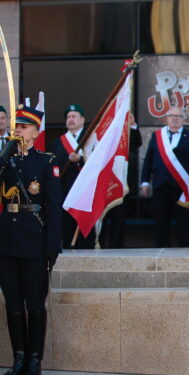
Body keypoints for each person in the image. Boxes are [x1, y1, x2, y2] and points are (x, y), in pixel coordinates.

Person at [0, 105, 61, 375]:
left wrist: (52, 246)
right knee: (13, 303)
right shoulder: (6, 161)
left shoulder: (46, 161)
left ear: (36, 132)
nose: (19, 131)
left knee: (35, 303)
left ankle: (35, 359)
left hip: (34, 241)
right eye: (16, 127)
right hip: (7, 240)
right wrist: (4, 157)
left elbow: (53, 206)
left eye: (24, 127)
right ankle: (19, 357)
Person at [140, 107, 189, 247]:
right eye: (172, 116)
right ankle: (161, 253)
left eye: (178, 116)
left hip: (183, 189)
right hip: (161, 186)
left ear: (183, 119)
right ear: (166, 118)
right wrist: (144, 182)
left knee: (185, 224)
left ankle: (186, 253)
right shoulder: (157, 136)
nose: (175, 118)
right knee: (161, 223)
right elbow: (148, 160)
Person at [49, 104, 95, 249]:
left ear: (82, 119)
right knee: (67, 227)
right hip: (67, 191)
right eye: (68, 117)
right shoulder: (58, 143)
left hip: (86, 191)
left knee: (86, 228)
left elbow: (96, 162)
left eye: (74, 116)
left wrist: (80, 160)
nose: (70, 119)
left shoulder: (91, 138)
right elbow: (54, 167)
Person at [100, 113, 142, 248]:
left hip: (119, 185)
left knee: (118, 220)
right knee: (101, 221)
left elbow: (136, 143)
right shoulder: (101, 136)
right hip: (102, 186)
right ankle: (98, 245)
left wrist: (132, 125)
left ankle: (116, 247)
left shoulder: (123, 138)